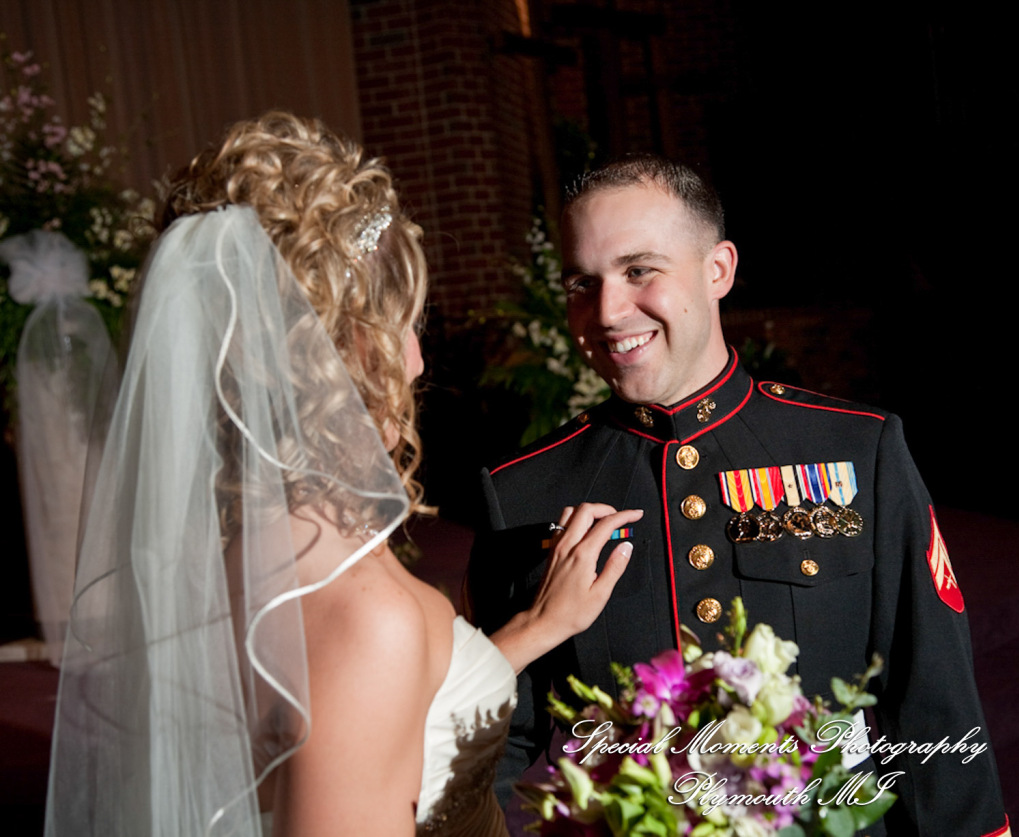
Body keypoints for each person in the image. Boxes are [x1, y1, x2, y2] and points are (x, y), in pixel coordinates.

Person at [43, 112, 641, 837]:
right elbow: (365, 670)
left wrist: (534, 630)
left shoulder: (239, 551)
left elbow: (373, 711)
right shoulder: (364, 613)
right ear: (337, 349)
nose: (417, 362)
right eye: (407, 328)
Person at [468, 154, 1010, 836]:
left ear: (718, 269)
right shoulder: (525, 493)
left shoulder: (855, 449)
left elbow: (933, 699)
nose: (606, 312)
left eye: (640, 270)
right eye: (583, 282)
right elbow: (493, 746)